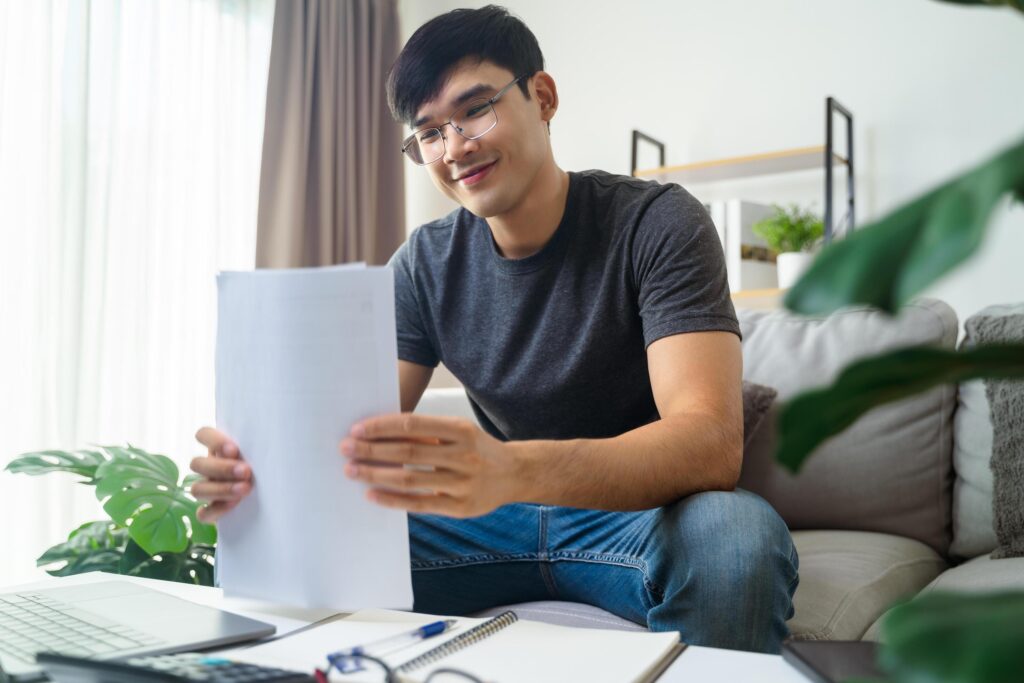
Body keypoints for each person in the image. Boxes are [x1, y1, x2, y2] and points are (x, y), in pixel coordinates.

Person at [190, 5, 798, 653]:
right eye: (428, 133)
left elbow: (708, 444)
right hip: (494, 525)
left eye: (475, 109)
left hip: (644, 518)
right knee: (287, 532)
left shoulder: (658, 224)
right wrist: (263, 479)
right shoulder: (424, 263)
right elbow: (350, 443)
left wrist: (510, 469)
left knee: (736, 542)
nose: (454, 148)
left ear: (543, 97)